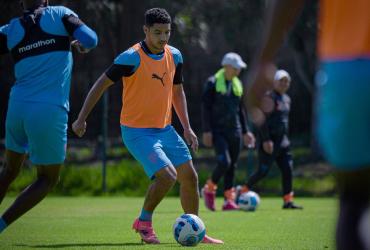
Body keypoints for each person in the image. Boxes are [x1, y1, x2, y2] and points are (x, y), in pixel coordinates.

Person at [72, 8, 223, 245]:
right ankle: (144, 222)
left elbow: (177, 91)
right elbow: (100, 85)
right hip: (136, 132)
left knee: (190, 177)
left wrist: (187, 127)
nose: (163, 38)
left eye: (167, 32)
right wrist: (81, 118)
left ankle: (196, 229)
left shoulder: (175, 55)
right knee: (167, 176)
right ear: (145, 30)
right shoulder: (130, 57)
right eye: (157, 33)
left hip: (165, 130)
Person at [244, 0, 370, 249]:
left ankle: (284, 198)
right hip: (350, 61)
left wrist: (264, 60)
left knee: (354, 202)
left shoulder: (287, 98)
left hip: (349, 60)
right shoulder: (276, 99)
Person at [0, 0, 97, 234]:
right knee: (47, 179)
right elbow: (91, 39)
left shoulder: (10, 29)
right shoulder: (61, 14)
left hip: (17, 108)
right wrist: (80, 45)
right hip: (48, 110)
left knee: (9, 171)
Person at [239, 69, 302, 209]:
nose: (284, 83)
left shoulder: (287, 99)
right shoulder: (268, 97)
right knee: (263, 171)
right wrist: (266, 139)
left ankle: (288, 201)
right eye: (281, 81)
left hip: (283, 143)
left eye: (286, 81)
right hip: (269, 142)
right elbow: (261, 120)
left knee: (288, 169)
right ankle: (242, 190)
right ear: (275, 82)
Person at [201, 52, 255, 211]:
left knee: (233, 166)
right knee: (225, 162)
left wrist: (246, 132)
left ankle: (228, 200)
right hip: (218, 130)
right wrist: (206, 130)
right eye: (237, 68)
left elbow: (241, 110)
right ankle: (209, 189)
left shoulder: (237, 84)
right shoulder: (212, 83)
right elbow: (205, 108)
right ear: (227, 66)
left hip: (235, 131)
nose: (239, 71)